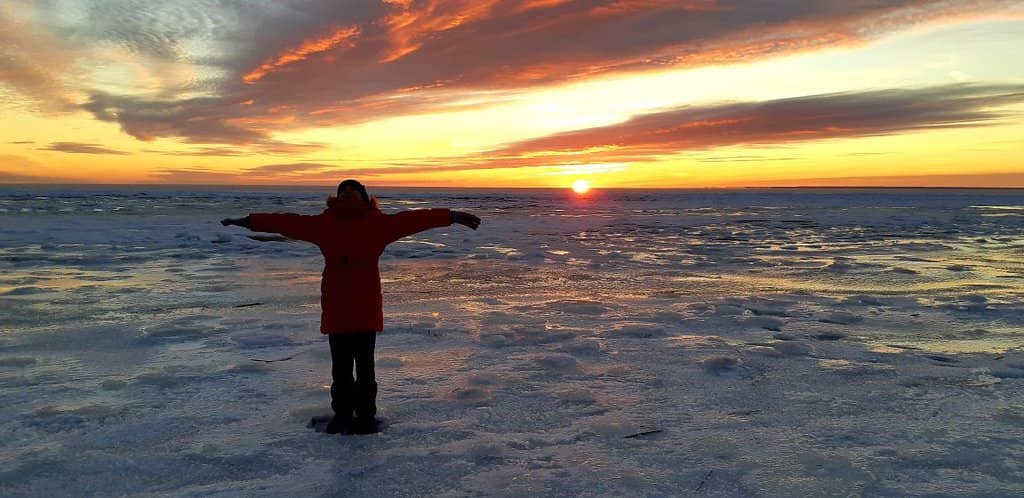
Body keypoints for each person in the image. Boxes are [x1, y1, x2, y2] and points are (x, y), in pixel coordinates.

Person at [221, 180, 480, 434]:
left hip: (366, 304)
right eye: (342, 190)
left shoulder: (379, 223)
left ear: (364, 196)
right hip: (336, 304)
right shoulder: (324, 223)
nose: (346, 193)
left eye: (352, 189)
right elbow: (285, 222)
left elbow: (416, 219)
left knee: (365, 367)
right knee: (341, 368)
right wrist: (246, 221)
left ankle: (367, 417)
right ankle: (342, 415)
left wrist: (453, 215)